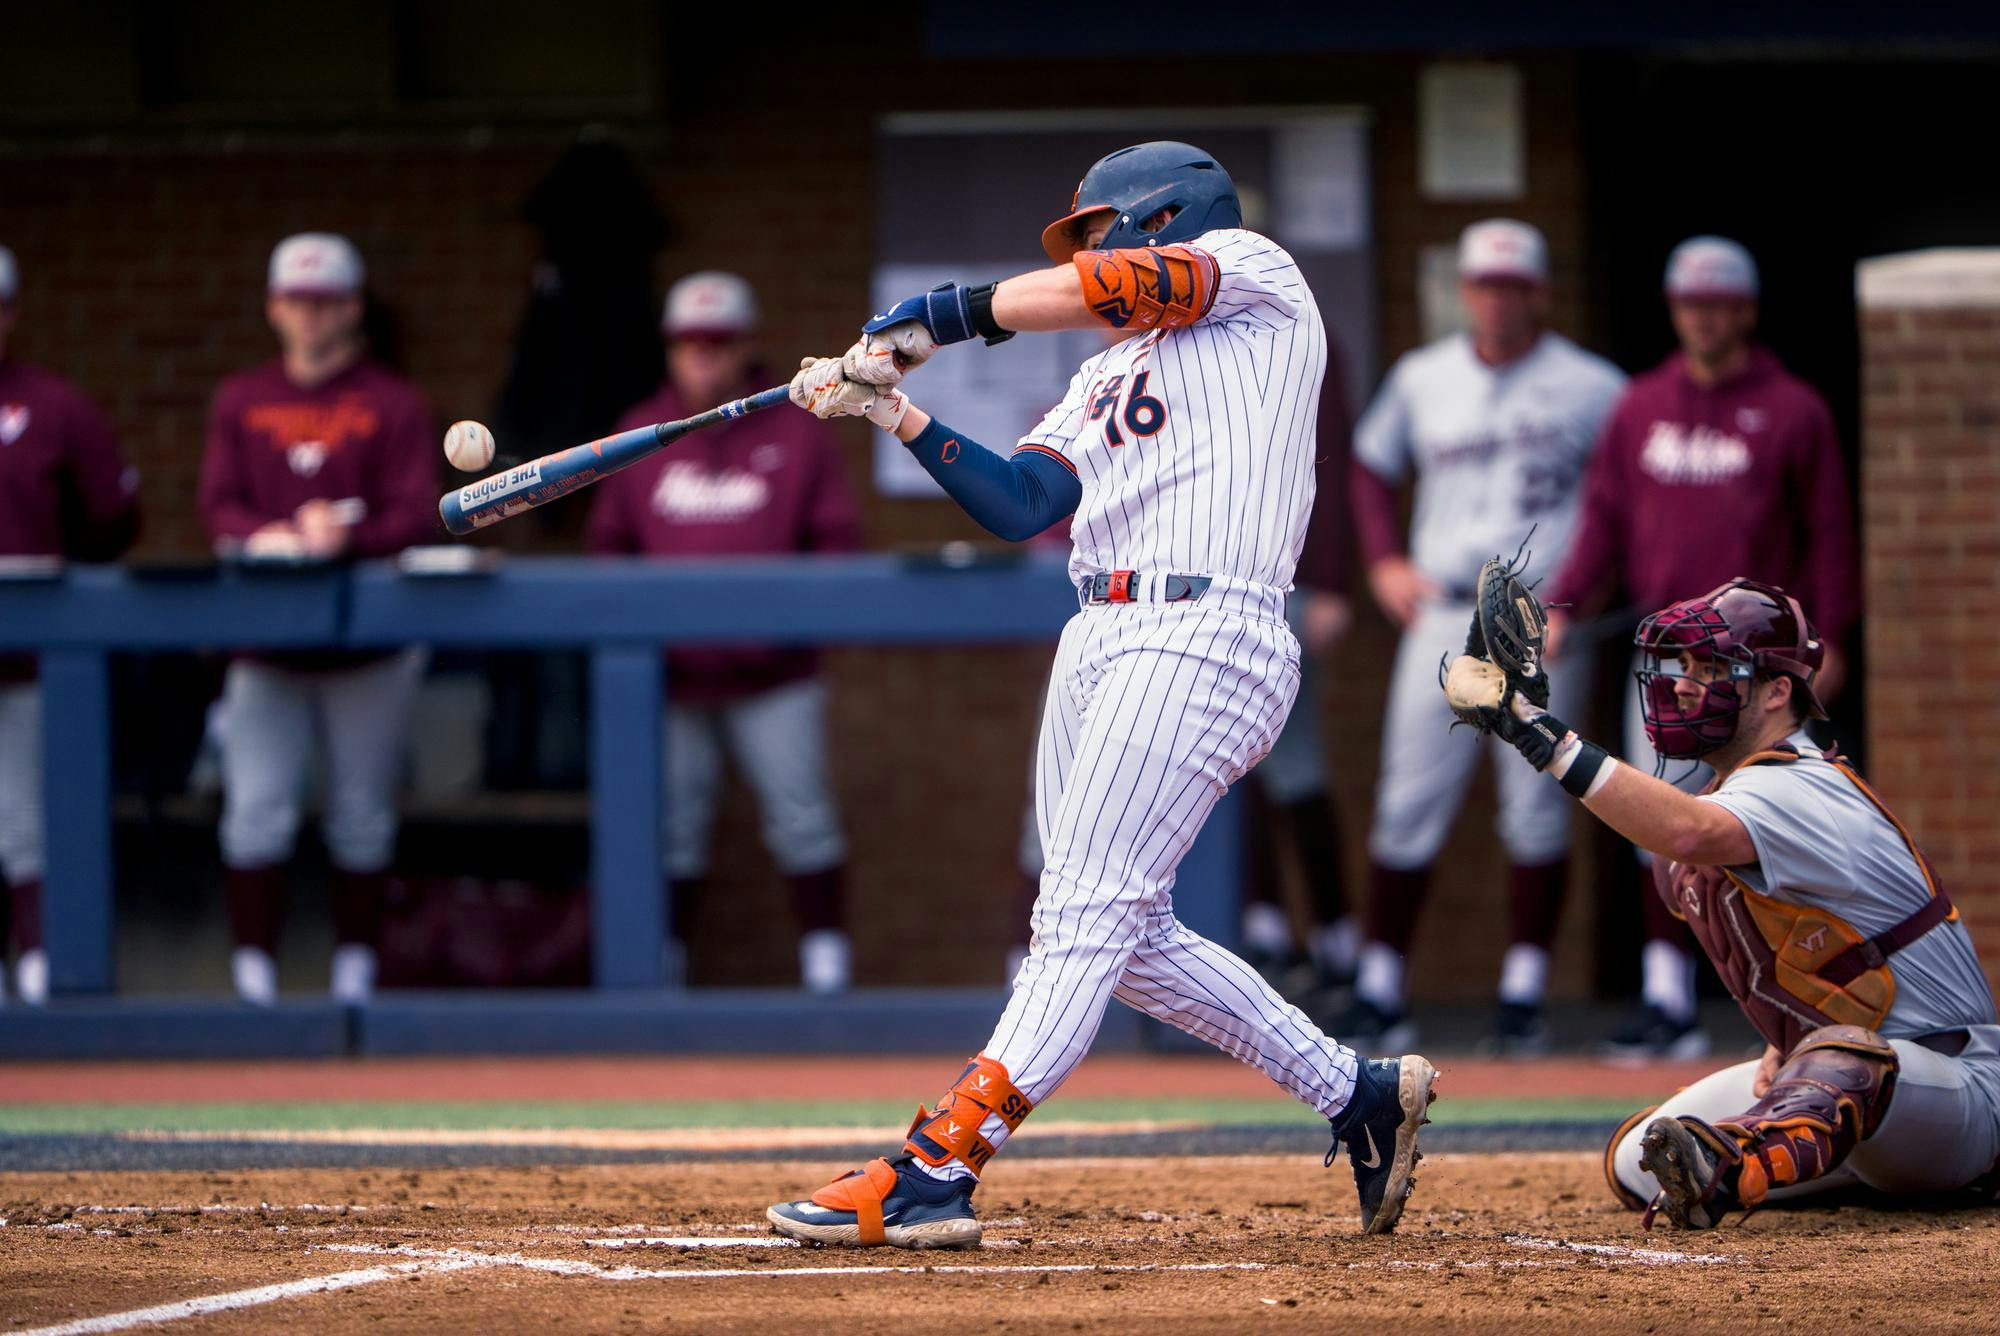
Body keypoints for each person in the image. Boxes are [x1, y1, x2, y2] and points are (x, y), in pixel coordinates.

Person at [767, 141, 1437, 1250]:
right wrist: (891, 414)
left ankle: (940, 1159)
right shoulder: (1101, 372)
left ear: (1158, 216)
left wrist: (936, 316)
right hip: (1100, 632)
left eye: (1096, 229)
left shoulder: (1250, 273)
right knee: (1117, 932)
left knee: (1081, 913)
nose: (1086, 254)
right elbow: (1025, 501)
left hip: (1203, 626)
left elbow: (1108, 287)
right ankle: (1359, 1094)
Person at [1454, 578, 1998, 1228]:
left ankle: (1741, 1169)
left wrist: (1543, 735)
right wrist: (1787, 1044)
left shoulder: (1802, 783)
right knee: (1637, 1159)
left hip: (1957, 1088)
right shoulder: (1725, 806)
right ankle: (1824, 1157)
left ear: (1776, 691)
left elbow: (1687, 828)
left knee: (1840, 1060)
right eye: (1683, 667)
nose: (1684, 684)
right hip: (1863, 1084)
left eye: (1712, 668)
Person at [1544, 236, 1859, 1061]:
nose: (1705, 317)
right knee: (1661, 811)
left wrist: (1837, 635)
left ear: (1746, 312)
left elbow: (1829, 532)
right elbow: (1604, 519)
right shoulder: (1642, 404)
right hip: (1670, 648)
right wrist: (1566, 605)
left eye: (1719, 304)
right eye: (1691, 303)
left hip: (1762, 659)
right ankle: (1665, 993)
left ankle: (1793, 992)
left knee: (1766, 819)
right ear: (1674, 309)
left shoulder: (1793, 408)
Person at [1344, 220, 1626, 1053]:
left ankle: (1524, 990)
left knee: (1537, 804)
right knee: (1406, 801)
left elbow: (1619, 503)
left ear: (1538, 292)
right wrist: (1383, 559)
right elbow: (1368, 464)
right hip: (1442, 607)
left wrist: (1581, 593)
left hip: (1539, 613)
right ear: (1464, 291)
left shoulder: (1593, 384)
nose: (1497, 300)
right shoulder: (1424, 377)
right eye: (1484, 285)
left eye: (1512, 286)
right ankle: (1379, 983)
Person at [586, 271, 861, 994]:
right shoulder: (637, 431)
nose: (702, 356)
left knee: (804, 819)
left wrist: (791, 625)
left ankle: (826, 968)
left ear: (749, 346)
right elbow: (605, 550)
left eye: (717, 342)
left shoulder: (797, 429)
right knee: (670, 827)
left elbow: (839, 542)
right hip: (670, 679)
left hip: (775, 675)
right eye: (687, 343)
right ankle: (665, 965)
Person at [199, 233, 437, 1006]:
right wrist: (258, 533)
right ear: (275, 308)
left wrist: (351, 537)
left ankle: (355, 977)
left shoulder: (393, 401)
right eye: (298, 301)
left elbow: (417, 513)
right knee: (255, 813)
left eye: (326, 301)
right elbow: (218, 504)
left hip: (368, 645)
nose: (311, 315)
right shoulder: (242, 397)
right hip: (267, 643)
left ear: (352, 307)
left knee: (363, 817)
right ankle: (253, 982)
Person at [0, 244, 141, 1006]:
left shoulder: (53, 406)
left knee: (24, 826)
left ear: (11, 314)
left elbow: (114, 521)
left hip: (29, 656)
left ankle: (38, 983)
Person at [1238, 357, 1360, 1003]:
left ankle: (1336, 938)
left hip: (1287, 585)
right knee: (1228, 763)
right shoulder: (1172, 343)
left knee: (1293, 763)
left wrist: (1332, 580)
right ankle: (1266, 928)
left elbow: (1334, 464)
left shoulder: (1302, 340)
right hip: (1211, 584)